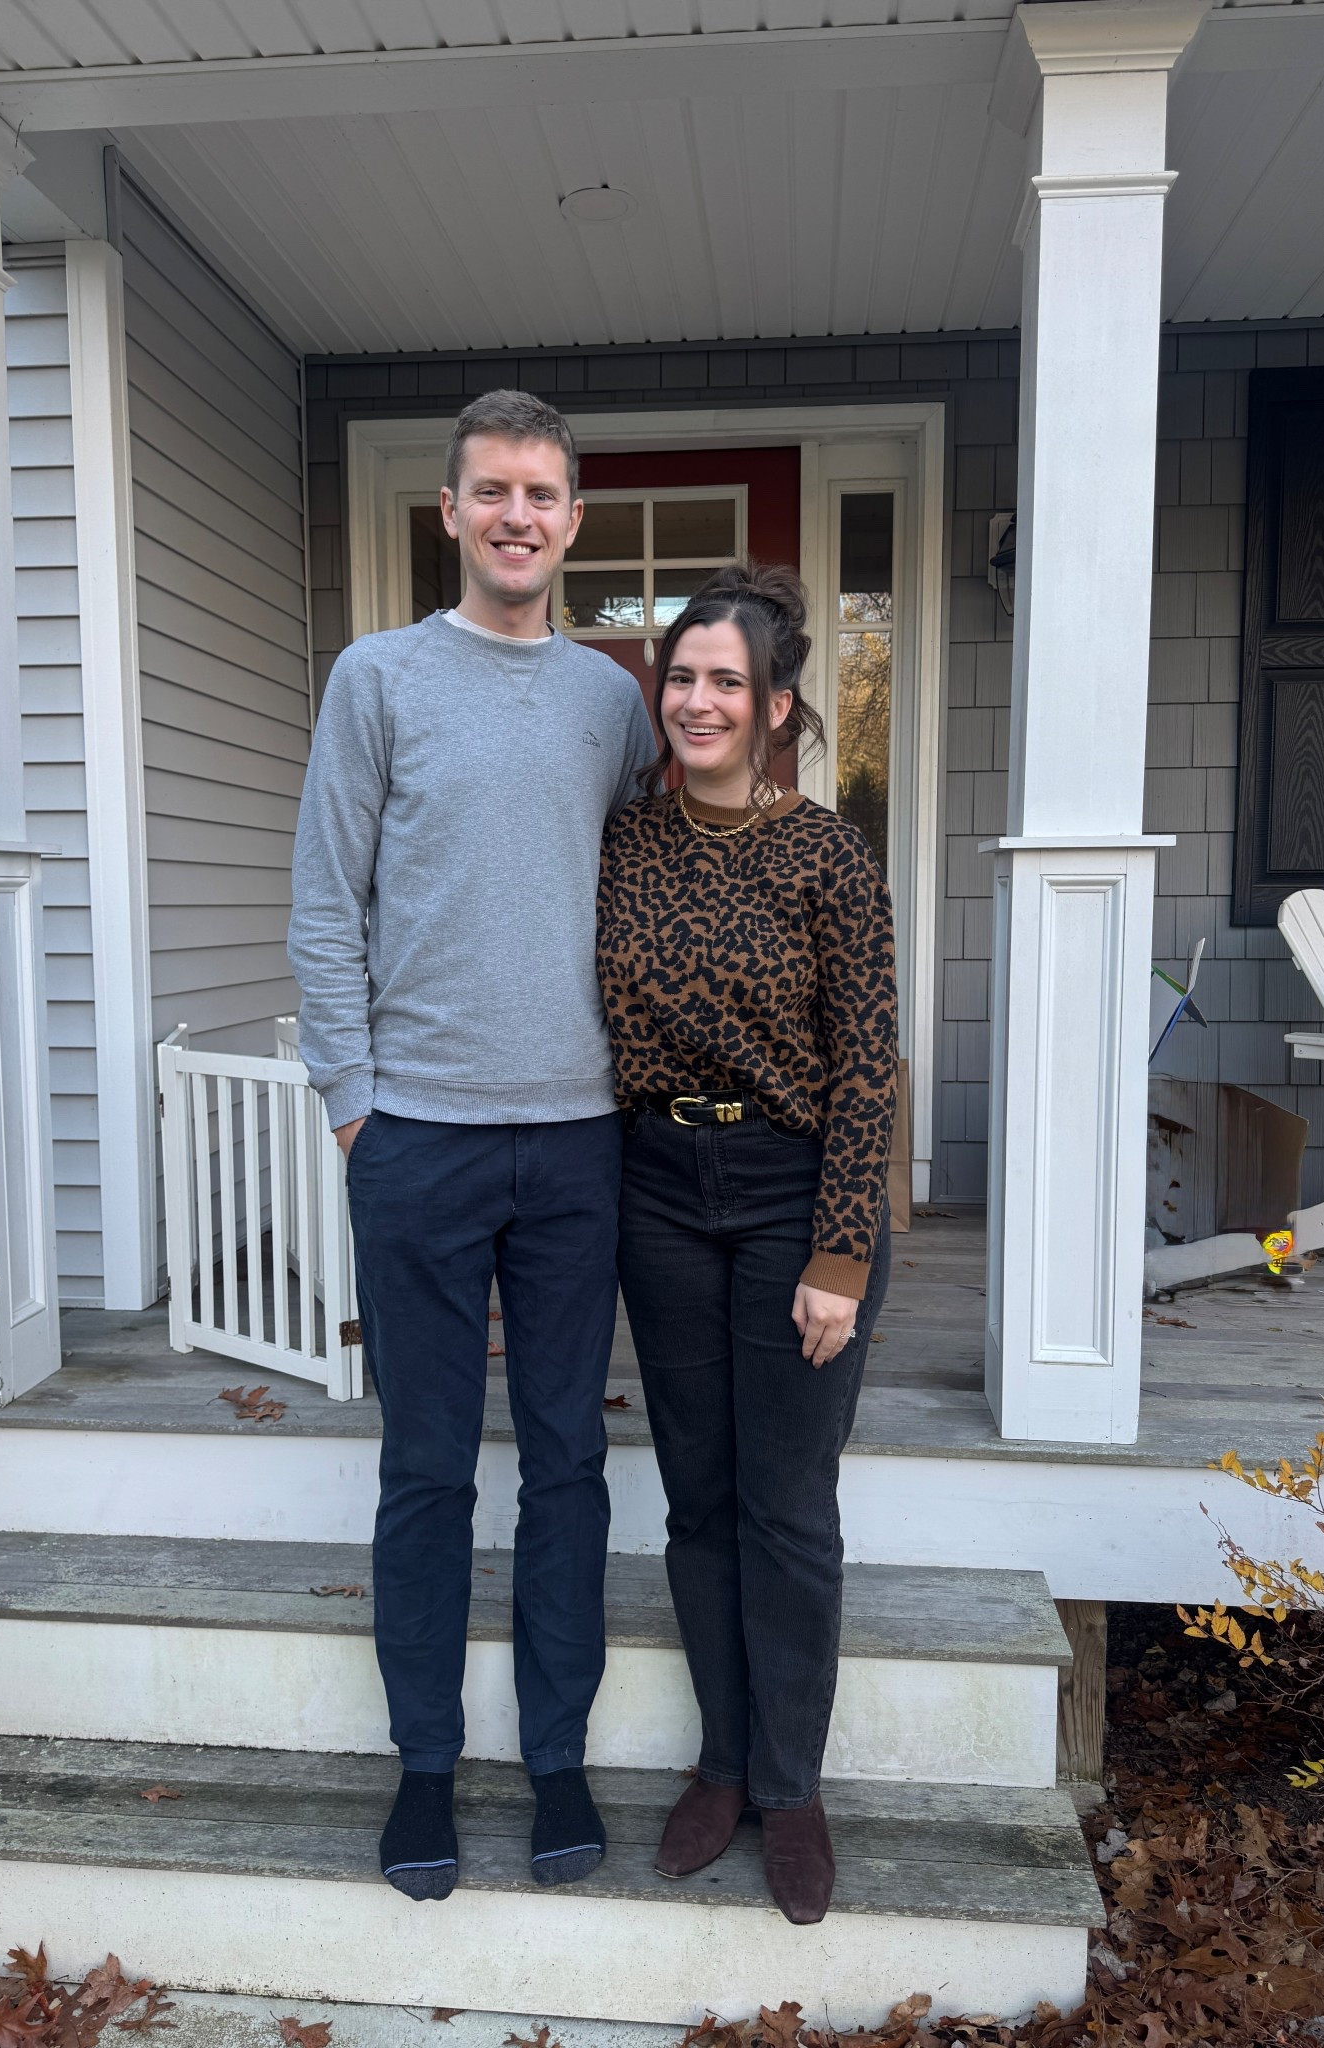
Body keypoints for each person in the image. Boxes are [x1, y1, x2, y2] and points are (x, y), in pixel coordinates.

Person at [289, 390, 655, 1903]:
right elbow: (326, 899)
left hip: (580, 1142)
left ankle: (556, 1758)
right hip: (420, 1137)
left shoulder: (614, 702)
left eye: (544, 494)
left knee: (568, 1464)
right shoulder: (376, 678)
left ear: (572, 521)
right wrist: (353, 1102)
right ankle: (425, 1768)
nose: (519, 514)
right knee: (428, 1467)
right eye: (493, 490)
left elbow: (654, 899)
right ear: (450, 511)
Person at [597, 560, 898, 1926]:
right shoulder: (624, 842)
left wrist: (841, 1248)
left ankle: (791, 1784)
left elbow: (869, 1065)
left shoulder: (830, 854)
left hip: (793, 1194)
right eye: (684, 677)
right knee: (698, 1499)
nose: (700, 700)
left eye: (729, 680)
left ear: (779, 706)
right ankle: (720, 1761)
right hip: (659, 1183)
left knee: (787, 1507)